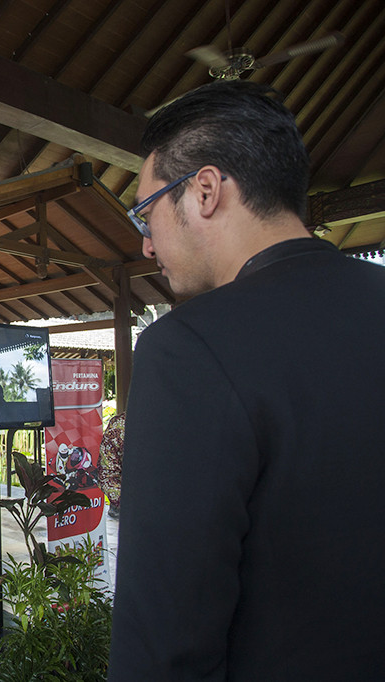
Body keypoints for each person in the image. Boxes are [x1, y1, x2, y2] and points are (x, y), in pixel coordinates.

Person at [108, 80, 385, 680]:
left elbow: (165, 642)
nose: (148, 242)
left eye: (146, 212)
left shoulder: (190, 347)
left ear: (204, 190)